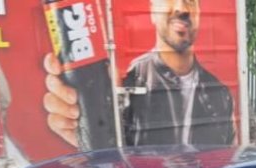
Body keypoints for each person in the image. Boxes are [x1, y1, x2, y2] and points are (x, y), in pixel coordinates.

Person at [43, 0, 235, 149]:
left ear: (199, 12)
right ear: (152, 10)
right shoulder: (127, 80)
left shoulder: (221, 94)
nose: (181, 8)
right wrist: (88, 133)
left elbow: (228, 162)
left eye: (190, 0)